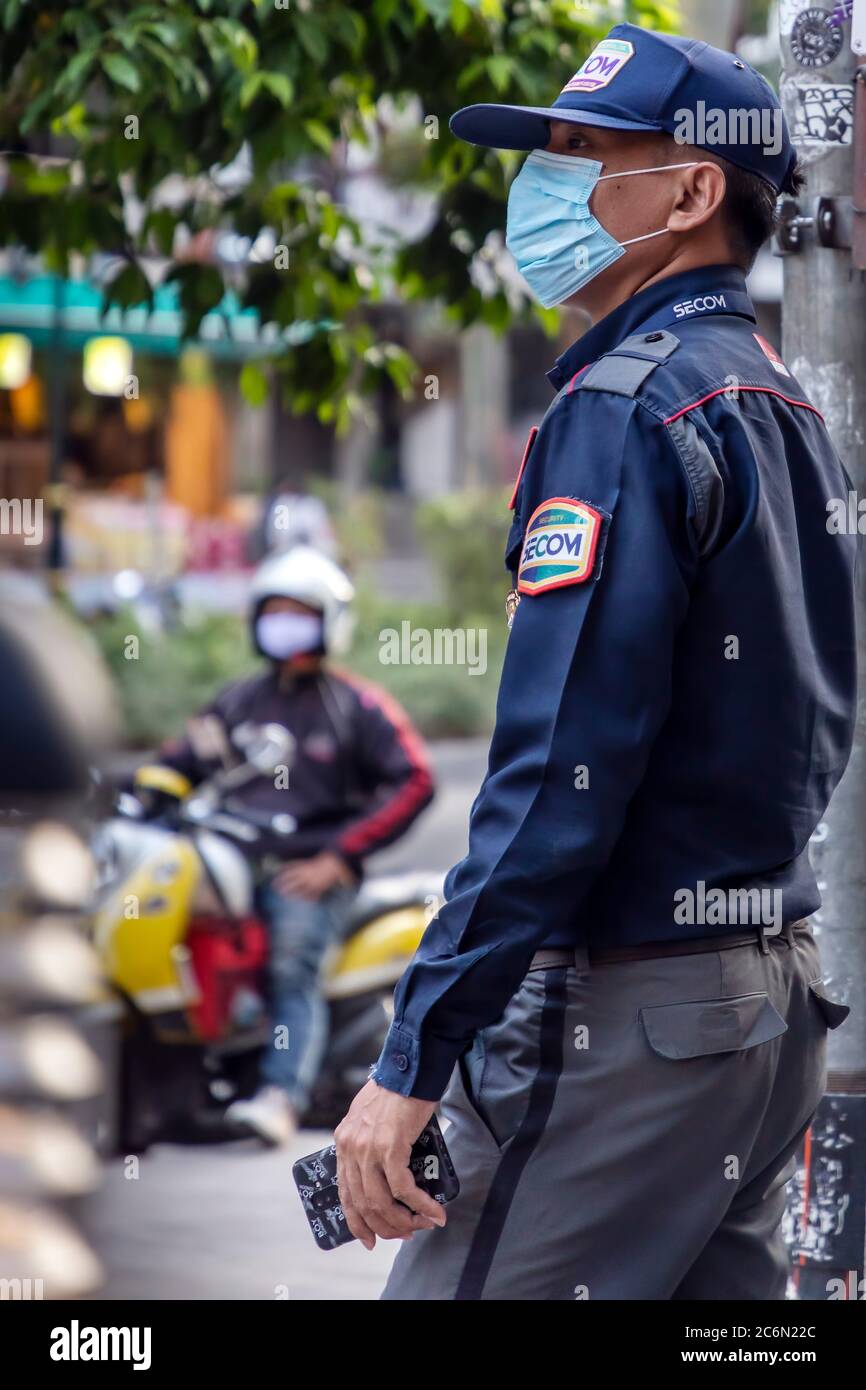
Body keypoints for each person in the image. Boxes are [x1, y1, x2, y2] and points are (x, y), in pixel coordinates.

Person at [335, 24, 856, 1299]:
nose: (542, 182)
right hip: (762, 1005)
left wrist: (412, 1056)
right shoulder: (780, 403)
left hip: (625, 1025)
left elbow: (556, 780)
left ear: (688, 193)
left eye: (579, 152)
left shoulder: (621, 407)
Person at [159, 546, 435, 1145]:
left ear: (329, 621)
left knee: (292, 968)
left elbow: (416, 779)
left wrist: (337, 857)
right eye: (274, 610)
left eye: (299, 611)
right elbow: (178, 763)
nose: (285, 622)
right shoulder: (238, 701)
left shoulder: (356, 706)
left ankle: (280, 1096)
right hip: (224, 865)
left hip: (304, 876)